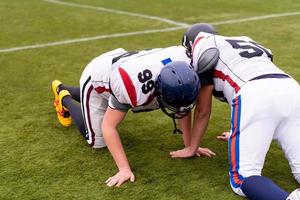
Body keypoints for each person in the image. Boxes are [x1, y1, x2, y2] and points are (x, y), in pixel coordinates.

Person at [51, 46, 215, 187]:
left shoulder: (185, 69)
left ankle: (67, 91)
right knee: (97, 141)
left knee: (117, 102)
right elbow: (109, 127)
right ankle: (63, 97)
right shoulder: (132, 87)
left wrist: (189, 146)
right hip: (98, 76)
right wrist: (124, 169)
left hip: (123, 66)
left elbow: (182, 108)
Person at [170, 23, 300, 200]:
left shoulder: (203, 46)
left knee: (242, 178)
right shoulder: (243, 40)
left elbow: (203, 111)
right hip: (291, 88)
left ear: (190, 45)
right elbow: (263, 77)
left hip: (255, 93)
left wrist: (192, 148)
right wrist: (239, 132)